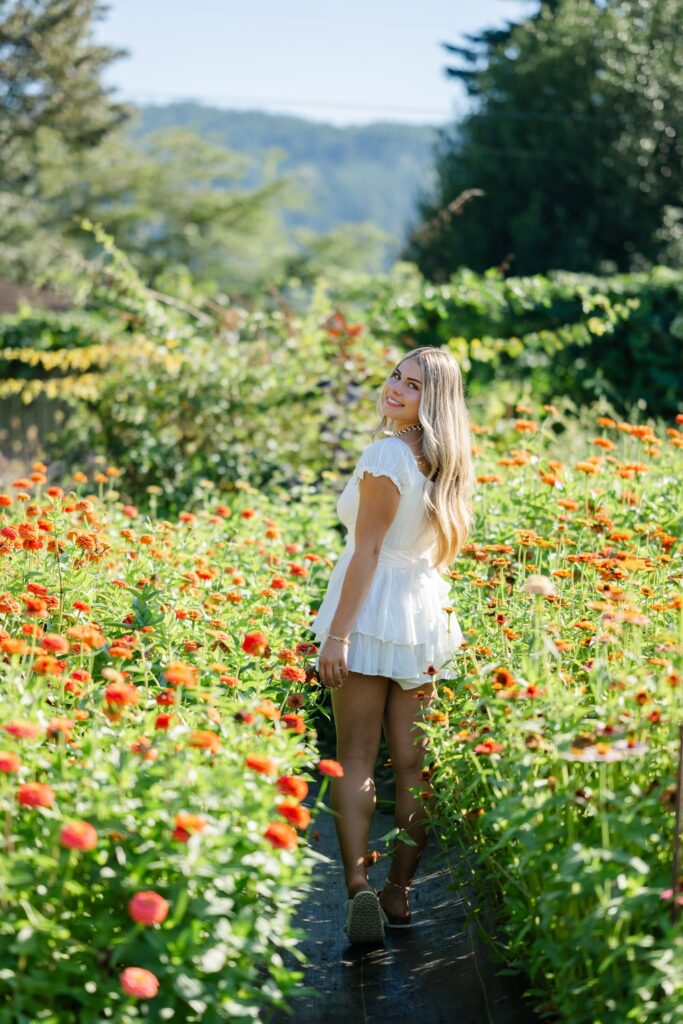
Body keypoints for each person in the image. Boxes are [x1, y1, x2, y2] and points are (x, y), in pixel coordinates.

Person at [309, 346, 474, 945]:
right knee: (414, 765)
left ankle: (358, 890)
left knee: (356, 755)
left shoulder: (386, 453)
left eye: (414, 386)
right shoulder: (448, 462)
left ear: (436, 400)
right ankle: (398, 896)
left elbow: (368, 551)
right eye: (395, 378)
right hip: (425, 610)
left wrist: (337, 634)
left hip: (373, 606)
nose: (395, 390)